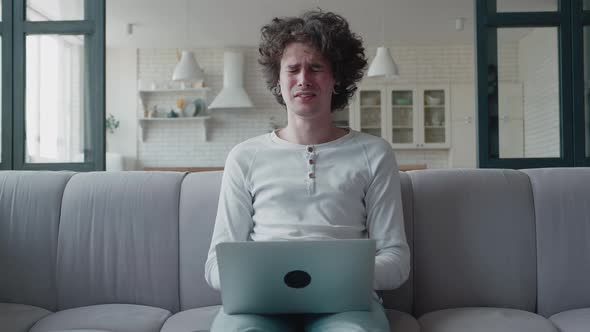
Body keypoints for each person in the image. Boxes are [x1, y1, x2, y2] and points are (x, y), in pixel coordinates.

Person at [205, 9, 410, 332]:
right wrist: (258, 277)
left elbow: (396, 260)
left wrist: (332, 275)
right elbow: (215, 265)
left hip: (348, 306)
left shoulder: (374, 153)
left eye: (316, 67)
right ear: (279, 80)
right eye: (293, 69)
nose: (303, 79)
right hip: (259, 306)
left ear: (337, 78)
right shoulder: (244, 157)